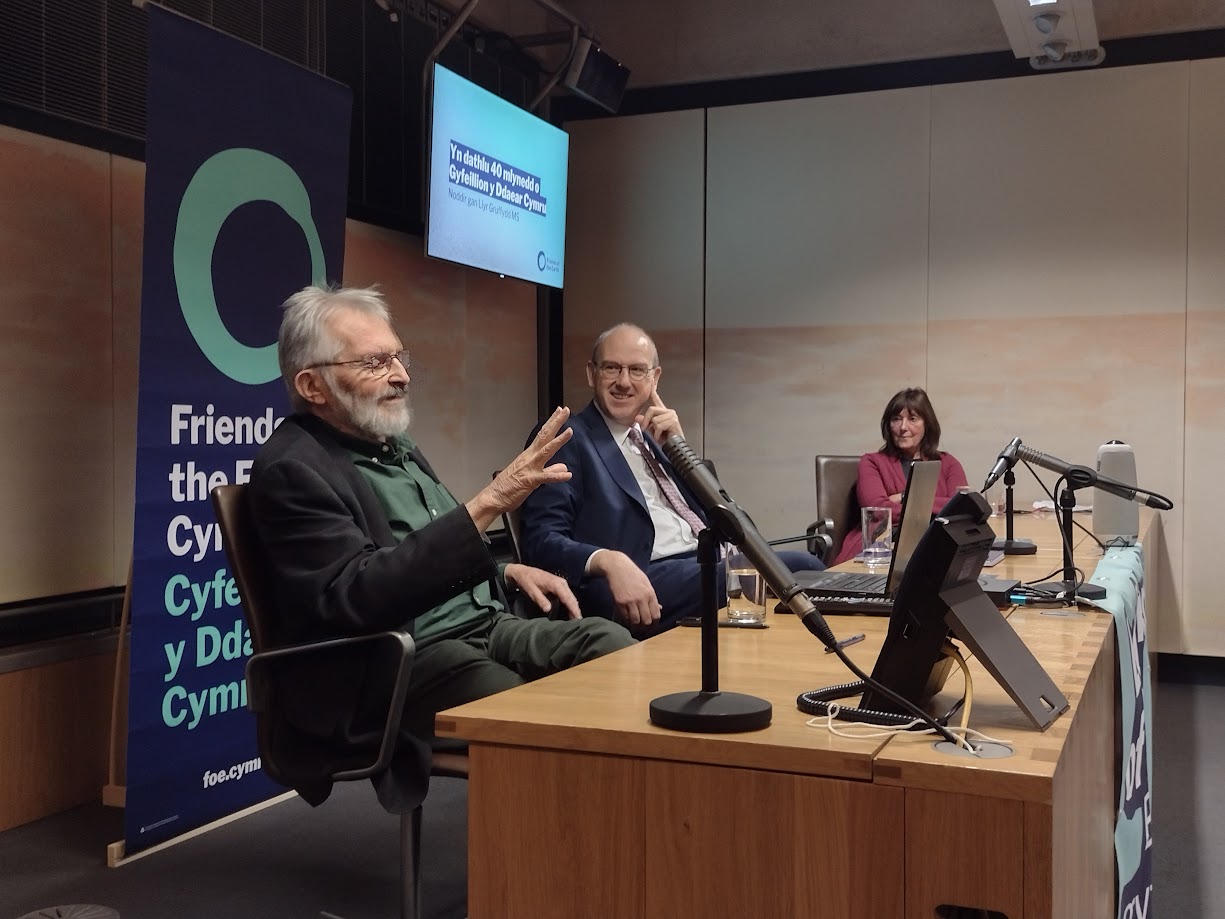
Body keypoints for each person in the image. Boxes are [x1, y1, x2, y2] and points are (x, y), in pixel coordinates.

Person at [247, 284, 635, 814]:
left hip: (482, 627)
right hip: (396, 661)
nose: (401, 375)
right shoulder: (294, 470)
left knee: (611, 647)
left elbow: (427, 548)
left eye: (398, 356)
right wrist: (489, 504)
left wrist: (506, 567)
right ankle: (551, 874)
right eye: (374, 362)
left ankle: (632, 830)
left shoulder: (394, 446)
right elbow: (356, 596)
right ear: (312, 385)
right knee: (531, 710)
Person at [518, 322, 825, 635]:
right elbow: (540, 541)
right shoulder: (567, 436)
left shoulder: (655, 440)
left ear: (655, 378)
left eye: (637, 370)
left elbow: (739, 528)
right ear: (591, 373)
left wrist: (681, 450)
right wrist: (608, 561)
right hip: (641, 579)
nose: (623, 381)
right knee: (802, 570)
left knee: (801, 574)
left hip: (703, 565)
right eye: (612, 367)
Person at [832, 387, 968, 564]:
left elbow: (960, 506)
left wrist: (902, 498)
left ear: (927, 424)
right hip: (880, 550)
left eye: (912, 419)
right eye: (896, 419)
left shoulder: (948, 463)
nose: (903, 427)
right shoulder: (871, 462)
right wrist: (934, 507)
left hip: (933, 546)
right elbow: (878, 511)